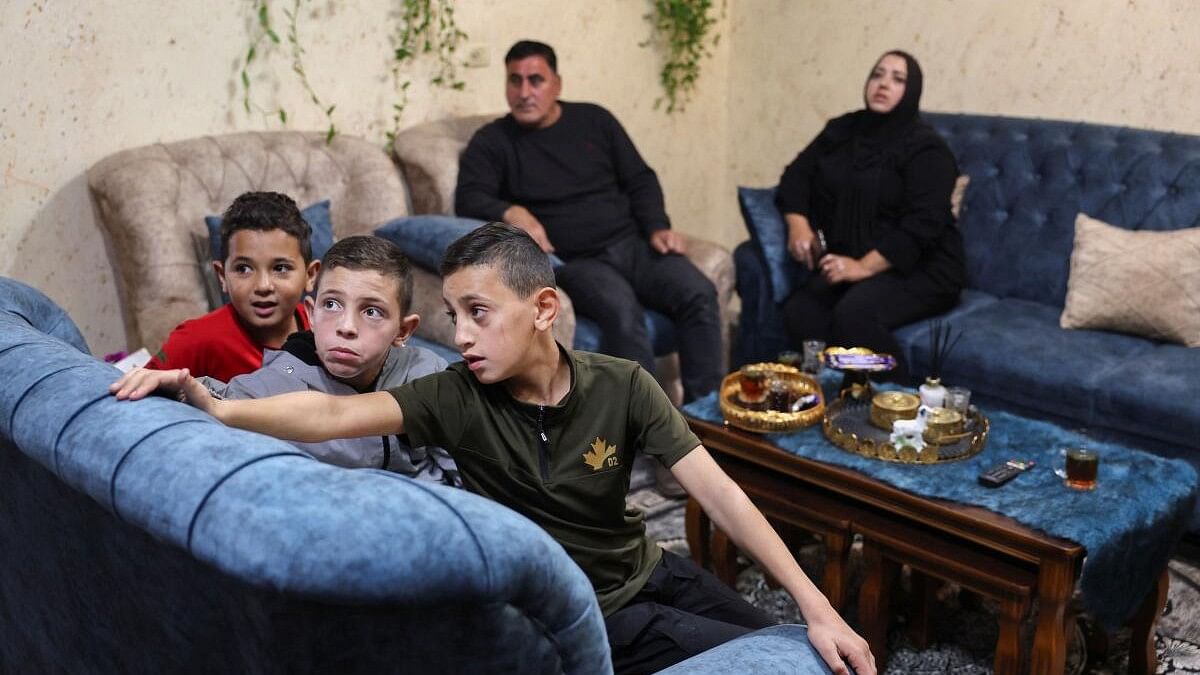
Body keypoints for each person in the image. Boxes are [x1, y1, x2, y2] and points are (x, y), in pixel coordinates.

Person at [111, 223, 875, 675]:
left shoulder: (623, 383)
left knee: (796, 636)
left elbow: (721, 495)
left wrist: (818, 604)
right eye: (452, 315)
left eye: (478, 313)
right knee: (795, 666)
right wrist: (216, 405)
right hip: (594, 613)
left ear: (544, 308)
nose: (462, 336)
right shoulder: (452, 395)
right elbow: (323, 414)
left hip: (653, 570)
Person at [455, 39, 722, 405]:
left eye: (536, 80)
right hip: (576, 261)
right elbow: (468, 197)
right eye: (514, 81)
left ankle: (704, 420)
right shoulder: (493, 141)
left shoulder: (595, 120)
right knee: (621, 310)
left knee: (698, 291)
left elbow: (640, 179)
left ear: (557, 85)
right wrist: (509, 211)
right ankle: (646, 430)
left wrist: (657, 226)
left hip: (633, 245)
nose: (524, 92)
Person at [122, 236, 458, 484]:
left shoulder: (427, 372)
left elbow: (463, 468)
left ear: (403, 330)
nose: (346, 327)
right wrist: (177, 390)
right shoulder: (281, 380)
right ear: (310, 314)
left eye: (371, 311)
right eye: (332, 305)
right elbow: (224, 398)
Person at [776, 50, 965, 380]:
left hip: (920, 267)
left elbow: (924, 226)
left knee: (854, 315)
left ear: (912, 90)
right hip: (853, 260)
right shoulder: (842, 130)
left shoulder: (927, 148)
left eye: (898, 79)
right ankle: (826, 398)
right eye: (878, 74)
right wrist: (798, 224)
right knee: (801, 310)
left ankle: (898, 408)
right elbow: (796, 176)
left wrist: (862, 267)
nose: (883, 84)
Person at [146, 191, 320, 382]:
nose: (263, 286)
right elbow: (140, 392)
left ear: (310, 275)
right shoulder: (196, 339)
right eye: (244, 269)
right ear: (222, 276)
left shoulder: (326, 330)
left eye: (280, 268)